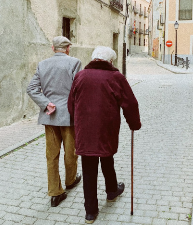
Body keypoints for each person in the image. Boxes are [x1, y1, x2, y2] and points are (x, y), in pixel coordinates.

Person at [68, 46, 141, 224]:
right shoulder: (115, 76)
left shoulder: (80, 76)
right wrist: (134, 124)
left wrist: (76, 121)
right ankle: (111, 191)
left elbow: (71, 103)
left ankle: (91, 212)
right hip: (106, 127)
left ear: (94, 59)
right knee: (107, 157)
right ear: (110, 61)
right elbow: (130, 103)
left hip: (84, 130)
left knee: (88, 167)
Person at [27, 36, 82, 207]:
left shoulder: (43, 64)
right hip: (69, 116)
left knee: (51, 155)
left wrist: (46, 103)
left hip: (50, 116)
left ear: (52, 48)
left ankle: (55, 193)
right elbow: (78, 89)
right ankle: (70, 180)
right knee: (70, 151)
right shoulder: (75, 62)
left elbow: (31, 89)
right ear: (68, 48)